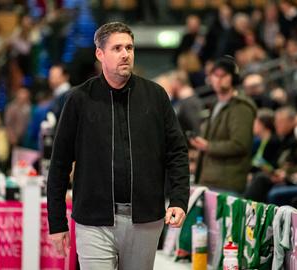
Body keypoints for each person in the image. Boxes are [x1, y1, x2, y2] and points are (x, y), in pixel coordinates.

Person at [47, 22, 190, 270]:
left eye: (129, 47)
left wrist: (178, 199)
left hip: (145, 218)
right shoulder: (79, 100)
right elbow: (59, 164)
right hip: (94, 220)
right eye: (117, 48)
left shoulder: (156, 96)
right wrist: (57, 222)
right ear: (100, 54)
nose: (125, 54)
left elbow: (176, 151)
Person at [190, 56, 256, 194]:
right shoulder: (215, 104)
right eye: (215, 75)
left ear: (233, 78)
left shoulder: (241, 107)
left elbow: (240, 145)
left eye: (223, 75)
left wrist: (208, 146)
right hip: (209, 180)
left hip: (227, 183)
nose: (219, 79)